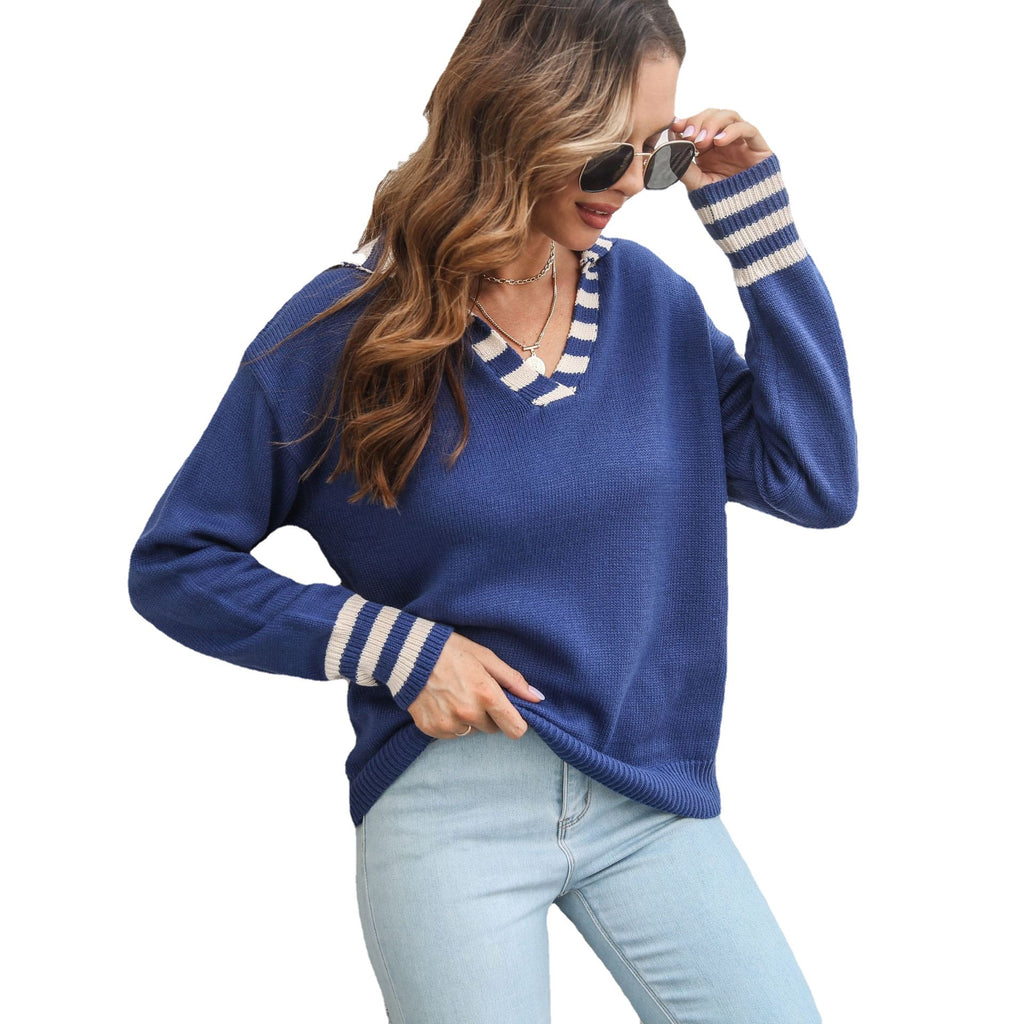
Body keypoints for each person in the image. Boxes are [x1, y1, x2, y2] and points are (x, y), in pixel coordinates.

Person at [128, 1, 857, 1021]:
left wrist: (757, 232)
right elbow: (176, 562)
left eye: (656, 156)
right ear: (519, 118)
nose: (630, 188)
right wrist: (393, 648)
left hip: (646, 794)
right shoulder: (337, 335)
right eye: (608, 154)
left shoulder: (652, 306)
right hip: (449, 812)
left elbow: (813, 478)